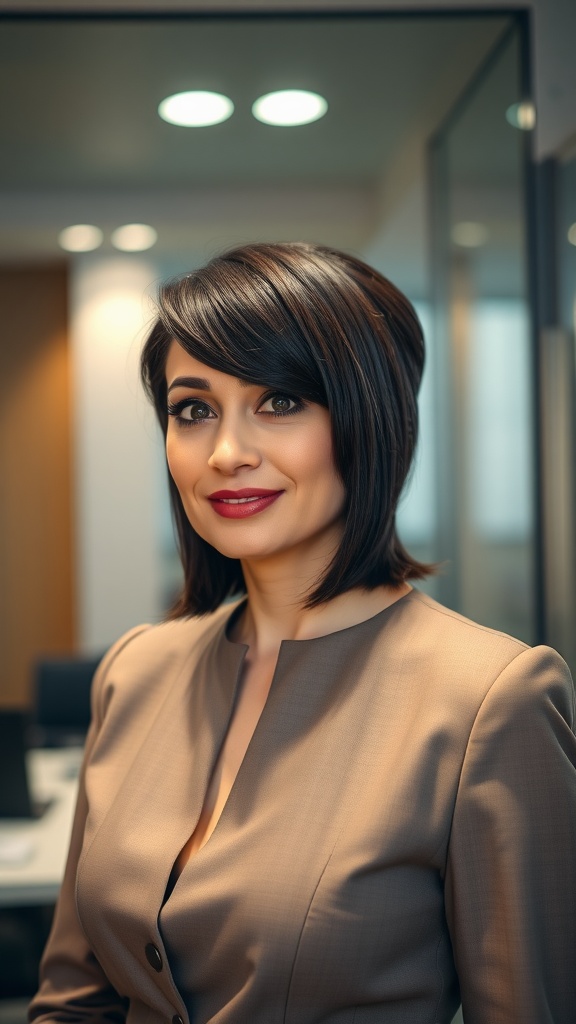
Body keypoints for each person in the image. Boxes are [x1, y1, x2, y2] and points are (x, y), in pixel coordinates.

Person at [29, 242, 576, 1024]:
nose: (226, 453)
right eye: (194, 409)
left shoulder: (490, 699)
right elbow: (74, 1003)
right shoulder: (136, 670)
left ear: (368, 419)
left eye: (280, 401)